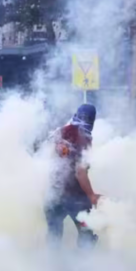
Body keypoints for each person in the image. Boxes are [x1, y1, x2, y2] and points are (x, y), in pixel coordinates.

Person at [45, 104, 100, 249]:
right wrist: (92, 195)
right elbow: (80, 172)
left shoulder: (60, 132)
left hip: (53, 194)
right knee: (86, 232)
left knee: (54, 233)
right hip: (75, 198)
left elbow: (48, 161)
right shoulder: (85, 139)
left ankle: (49, 265)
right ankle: (84, 266)